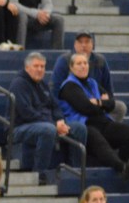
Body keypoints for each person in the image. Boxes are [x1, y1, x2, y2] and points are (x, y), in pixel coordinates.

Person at [57, 52, 129, 180]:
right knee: (97, 138)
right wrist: (101, 104)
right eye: (79, 63)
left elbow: (112, 103)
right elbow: (85, 107)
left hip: (102, 121)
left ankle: (123, 165)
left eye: (85, 63)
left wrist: (99, 102)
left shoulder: (92, 83)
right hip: (83, 125)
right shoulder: (69, 86)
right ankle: (121, 167)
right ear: (71, 67)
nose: (83, 66)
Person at [9, 52, 87, 180]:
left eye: (42, 66)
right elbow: (26, 113)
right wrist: (54, 124)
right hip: (20, 128)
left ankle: (74, 171)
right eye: (36, 66)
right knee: (48, 130)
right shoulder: (19, 84)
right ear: (27, 67)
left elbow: (55, 106)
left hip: (48, 124)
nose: (40, 69)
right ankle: (39, 174)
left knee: (79, 128)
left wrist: (60, 120)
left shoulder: (43, 84)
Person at [51, 32, 127, 123]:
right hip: (74, 106)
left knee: (120, 107)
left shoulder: (100, 61)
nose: (84, 45)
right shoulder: (64, 61)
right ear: (75, 45)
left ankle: (108, 130)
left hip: (97, 103)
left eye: (87, 42)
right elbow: (55, 90)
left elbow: (108, 90)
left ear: (92, 45)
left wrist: (104, 102)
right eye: (80, 42)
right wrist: (59, 116)